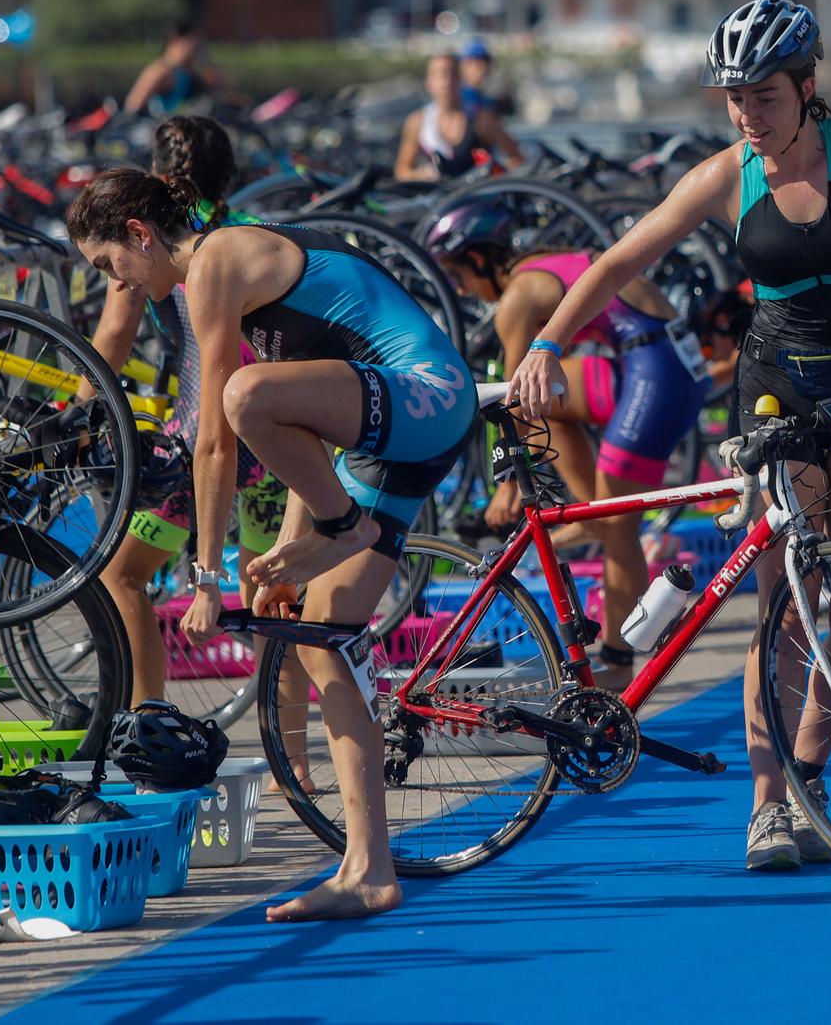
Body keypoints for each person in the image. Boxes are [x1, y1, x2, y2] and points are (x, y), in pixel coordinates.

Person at [507, 0, 831, 873]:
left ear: (808, 86)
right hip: (776, 389)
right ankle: (768, 806)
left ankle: (811, 771)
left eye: (765, 95)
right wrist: (551, 336)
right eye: (735, 97)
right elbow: (622, 258)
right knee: (784, 600)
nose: (748, 114)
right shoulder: (726, 173)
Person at [66, 168, 476, 921]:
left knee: (243, 394)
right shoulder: (230, 281)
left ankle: (342, 525)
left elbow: (219, 439)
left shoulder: (217, 259)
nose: (116, 284)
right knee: (322, 638)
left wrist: (206, 576)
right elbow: (305, 442)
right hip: (396, 436)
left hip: (428, 393)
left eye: (109, 266)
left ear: (139, 234)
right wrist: (286, 553)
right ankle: (368, 866)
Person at [427, 201, 709, 670]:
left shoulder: (517, 298)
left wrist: (507, 486)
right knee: (558, 412)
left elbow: (514, 393)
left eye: (458, 275)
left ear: (479, 260)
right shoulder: (541, 268)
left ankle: (619, 664)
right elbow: (542, 395)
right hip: (661, 363)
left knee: (621, 533)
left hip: (656, 375)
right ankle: (591, 515)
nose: (460, 289)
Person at [83, 116, 286, 708]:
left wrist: (79, 407)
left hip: (202, 429)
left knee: (120, 576)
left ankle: (147, 721)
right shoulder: (248, 233)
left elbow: (114, 339)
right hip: (274, 434)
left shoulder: (152, 241)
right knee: (272, 603)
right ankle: (291, 759)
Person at [393, 51, 525, 181]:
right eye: (439, 74)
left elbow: (516, 157)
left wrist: (497, 178)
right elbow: (402, 171)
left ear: (461, 79)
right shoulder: (417, 122)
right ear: (429, 83)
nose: (446, 81)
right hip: (438, 199)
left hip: (476, 197)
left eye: (452, 74)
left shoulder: (481, 119)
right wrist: (421, 175)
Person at [123, 20, 229, 116]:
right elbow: (133, 107)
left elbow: (223, 94)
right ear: (175, 41)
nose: (197, 49)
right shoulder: (159, 71)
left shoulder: (189, 72)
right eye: (193, 43)